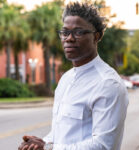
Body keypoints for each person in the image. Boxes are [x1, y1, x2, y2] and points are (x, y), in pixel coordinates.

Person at [18, 2, 128, 150]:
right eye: (65, 32)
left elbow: (103, 145)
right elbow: (62, 134)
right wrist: (42, 143)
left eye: (78, 32)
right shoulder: (66, 79)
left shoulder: (108, 84)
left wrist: (49, 148)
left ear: (96, 36)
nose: (69, 38)